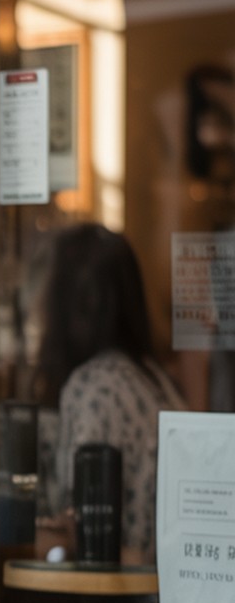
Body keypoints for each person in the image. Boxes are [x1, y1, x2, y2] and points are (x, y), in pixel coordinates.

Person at [35, 222, 185, 564]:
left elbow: (79, 534)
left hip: (121, 590)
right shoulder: (154, 381)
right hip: (165, 585)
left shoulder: (93, 388)